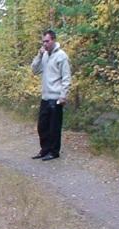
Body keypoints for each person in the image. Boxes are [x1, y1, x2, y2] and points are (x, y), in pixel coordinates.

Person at [30, 30, 71, 161]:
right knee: (42, 126)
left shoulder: (61, 56)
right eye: (43, 41)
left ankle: (54, 152)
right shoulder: (45, 55)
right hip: (45, 97)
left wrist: (63, 96)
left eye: (47, 41)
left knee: (54, 127)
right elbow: (34, 70)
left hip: (56, 97)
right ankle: (45, 150)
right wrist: (39, 55)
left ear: (53, 40)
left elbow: (66, 78)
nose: (45, 44)